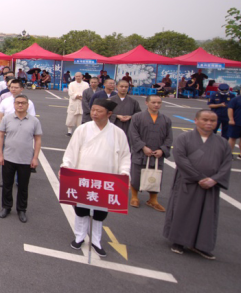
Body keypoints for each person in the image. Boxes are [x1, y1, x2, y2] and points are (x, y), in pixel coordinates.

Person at [62, 99, 131, 257]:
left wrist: (124, 172)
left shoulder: (118, 133)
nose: (94, 113)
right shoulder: (83, 129)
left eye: (99, 111)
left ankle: (96, 240)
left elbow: (125, 156)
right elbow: (72, 150)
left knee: (100, 212)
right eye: (93, 110)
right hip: (84, 176)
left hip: (106, 179)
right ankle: (79, 236)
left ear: (109, 114)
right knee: (81, 209)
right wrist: (66, 166)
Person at [164, 110, 232, 260]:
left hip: (210, 185)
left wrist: (214, 180)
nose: (209, 123)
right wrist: (199, 177)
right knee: (183, 210)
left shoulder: (222, 143)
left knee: (207, 214)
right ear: (196, 120)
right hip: (188, 182)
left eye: (212, 121)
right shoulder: (184, 138)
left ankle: (201, 244)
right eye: (205, 120)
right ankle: (178, 241)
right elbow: (180, 159)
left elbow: (226, 164)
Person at [0, 94, 42, 222]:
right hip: (8, 158)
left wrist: (35, 158)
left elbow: (38, 140)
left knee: (23, 186)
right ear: (14, 105)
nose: (20, 105)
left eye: (23, 103)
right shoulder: (7, 119)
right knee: (7, 185)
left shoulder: (34, 121)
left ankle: (21, 209)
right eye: (18, 103)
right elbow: (0, 137)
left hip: (25, 159)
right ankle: (6, 207)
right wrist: (0, 155)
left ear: (28, 105)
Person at [128, 95, 173, 210]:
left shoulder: (166, 120)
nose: (156, 105)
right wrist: (142, 147)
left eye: (159, 103)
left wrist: (162, 149)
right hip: (141, 152)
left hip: (157, 154)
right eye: (153, 102)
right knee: (136, 175)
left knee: (156, 176)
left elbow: (169, 138)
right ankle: (134, 197)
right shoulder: (137, 117)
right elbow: (133, 134)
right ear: (146, 103)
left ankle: (153, 200)